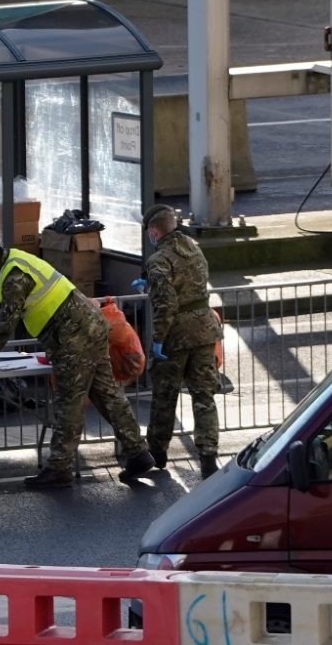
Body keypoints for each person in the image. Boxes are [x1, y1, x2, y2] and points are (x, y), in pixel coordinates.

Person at [0, 237, 154, 488]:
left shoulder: (15, 276)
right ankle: (138, 452)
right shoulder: (16, 262)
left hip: (73, 337)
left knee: (69, 402)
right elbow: (0, 314)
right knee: (106, 394)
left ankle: (59, 469)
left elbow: (4, 327)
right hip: (91, 327)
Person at [132, 204, 223, 479]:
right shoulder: (193, 247)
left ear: (155, 231)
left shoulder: (158, 260)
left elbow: (167, 303)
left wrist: (158, 338)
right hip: (205, 332)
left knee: (164, 396)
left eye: (149, 231)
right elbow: (189, 282)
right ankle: (208, 457)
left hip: (177, 337)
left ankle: (157, 453)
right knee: (204, 396)